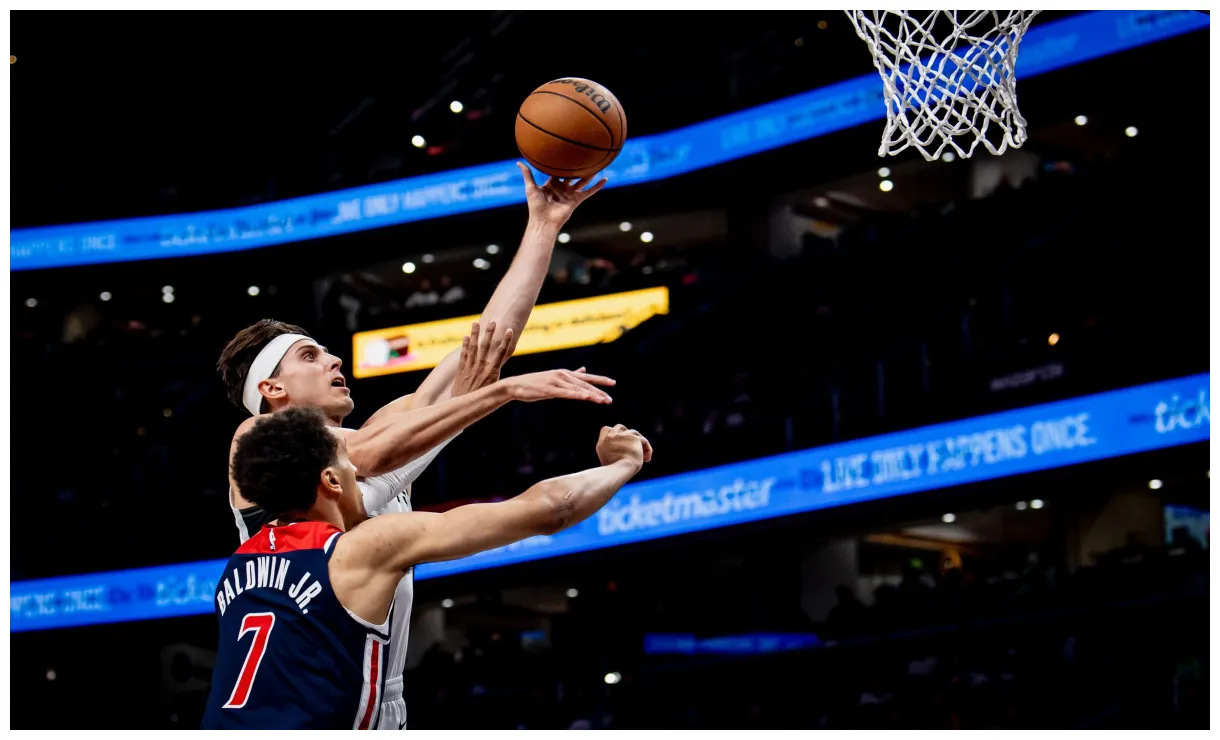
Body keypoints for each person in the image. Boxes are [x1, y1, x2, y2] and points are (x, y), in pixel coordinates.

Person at [214, 166, 608, 729]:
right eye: (309, 356)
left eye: (328, 352)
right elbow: (368, 457)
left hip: (382, 691)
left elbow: (488, 342)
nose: (334, 361)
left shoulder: (390, 428)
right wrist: (499, 393)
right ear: (270, 390)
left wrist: (543, 226)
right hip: (305, 694)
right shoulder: (254, 442)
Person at [201, 407, 651, 729]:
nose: (360, 475)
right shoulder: (362, 547)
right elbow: (550, 510)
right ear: (332, 481)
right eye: (351, 468)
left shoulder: (236, 568)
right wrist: (625, 461)